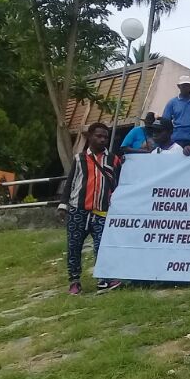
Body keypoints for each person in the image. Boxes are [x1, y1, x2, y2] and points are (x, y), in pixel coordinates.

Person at [58, 122, 121, 295]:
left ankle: (105, 278)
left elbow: (118, 184)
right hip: (78, 210)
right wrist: (63, 205)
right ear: (90, 137)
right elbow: (70, 182)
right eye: (98, 136)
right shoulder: (79, 159)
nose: (102, 140)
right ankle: (74, 281)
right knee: (74, 246)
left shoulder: (113, 160)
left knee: (102, 246)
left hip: (102, 210)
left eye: (105, 137)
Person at [162, 75, 190, 148]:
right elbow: (165, 122)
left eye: (188, 85)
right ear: (179, 87)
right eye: (183, 86)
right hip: (176, 140)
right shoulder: (172, 103)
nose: (186, 88)